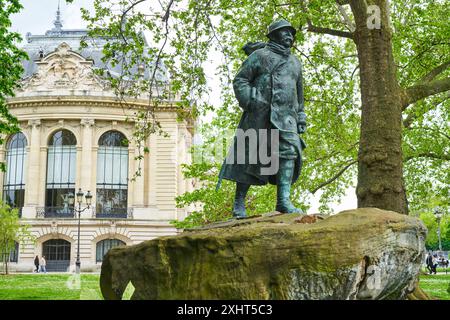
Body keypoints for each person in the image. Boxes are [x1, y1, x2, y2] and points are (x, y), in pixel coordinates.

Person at [217, 19, 307, 217]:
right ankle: (239, 201)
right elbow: (240, 79)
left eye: (291, 33)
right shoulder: (259, 56)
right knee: (250, 157)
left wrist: (301, 116)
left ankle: (283, 201)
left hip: (287, 117)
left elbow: (299, 95)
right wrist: (251, 100)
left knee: (289, 153)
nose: (289, 36)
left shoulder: (295, 62)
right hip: (260, 114)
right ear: (273, 35)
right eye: (284, 32)